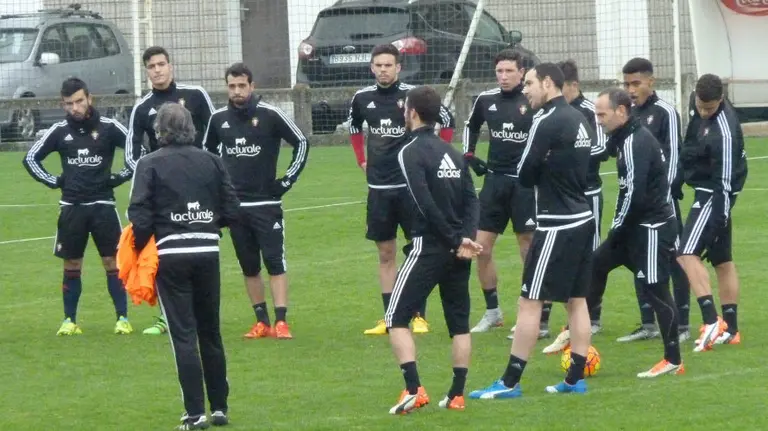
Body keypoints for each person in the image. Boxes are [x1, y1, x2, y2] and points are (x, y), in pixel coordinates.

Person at [469, 63, 596, 399]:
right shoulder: (578, 118)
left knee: (529, 302)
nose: (525, 90)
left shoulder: (546, 120)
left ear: (548, 83)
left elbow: (524, 172)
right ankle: (574, 379)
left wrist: (540, 166)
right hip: (583, 218)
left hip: (556, 224)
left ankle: (510, 382)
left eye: (529, 83)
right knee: (576, 300)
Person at [128, 102, 240, 430]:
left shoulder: (148, 164)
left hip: (171, 255)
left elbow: (139, 215)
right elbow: (233, 211)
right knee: (211, 331)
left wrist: (137, 247)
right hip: (207, 251)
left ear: (159, 131)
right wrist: (204, 221)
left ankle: (194, 414)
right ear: (191, 127)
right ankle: (219, 408)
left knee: (183, 335)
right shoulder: (212, 161)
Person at [348, 43, 456, 335]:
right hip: (379, 188)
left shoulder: (412, 97)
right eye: (378, 65)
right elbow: (354, 126)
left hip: (411, 188)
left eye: (388, 65)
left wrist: (438, 154)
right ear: (372, 68)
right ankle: (390, 315)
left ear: (398, 67)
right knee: (385, 253)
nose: (383, 70)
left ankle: (418, 314)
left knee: (417, 251)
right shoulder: (362, 98)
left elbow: (447, 120)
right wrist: (361, 159)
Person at [385, 85, 481, 414]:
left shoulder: (409, 151)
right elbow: (471, 200)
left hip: (428, 247)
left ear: (411, 112)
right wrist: (466, 238)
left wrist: (454, 240)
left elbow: (423, 202)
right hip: (459, 251)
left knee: (395, 318)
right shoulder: (452, 152)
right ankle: (456, 395)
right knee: (459, 325)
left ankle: (414, 389)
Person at [203, 62, 309, 339]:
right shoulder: (218, 120)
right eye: (231, 86)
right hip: (236, 208)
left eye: (241, 85)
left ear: (252, 86)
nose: (236, 91)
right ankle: (261, 321)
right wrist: (218, 192)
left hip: (266, 205)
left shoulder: (270, 115)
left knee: (275, 262)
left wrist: (286, 181)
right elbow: (207, 156)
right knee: (249, 266)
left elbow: (301, 142)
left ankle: (282, 321)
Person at [22, 78, 133, 336]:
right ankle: (69, 321)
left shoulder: (109, 127)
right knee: (72, 263)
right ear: (63, 104)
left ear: (89, 99)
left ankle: (122, 318)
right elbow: (31, 158)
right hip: (72, 207)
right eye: (70, 103)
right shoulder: (59, 131)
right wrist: (55, 181)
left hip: (103, 206)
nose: (76, 108)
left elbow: (136, 150)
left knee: (112, 262)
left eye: (80, 101)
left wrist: (120, 177)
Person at [588, 88, 684, 377]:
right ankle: (581, 328)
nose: (599, 120)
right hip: (635, 226)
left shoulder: (634, 142)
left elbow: (634, 194)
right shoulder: (623, 137)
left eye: (602, 114)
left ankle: (673, 359)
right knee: (596, 263)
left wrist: (617, 229)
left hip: (652, 226)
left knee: (655, 288)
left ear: (621, 111)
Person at [125, 46, 216, 335]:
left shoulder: (196, 96)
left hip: (197, 187)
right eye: (151, 66)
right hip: (164, 191)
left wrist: (208, 171)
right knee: (163, 252)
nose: (157, 70)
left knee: (199, 247)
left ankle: (200, 312)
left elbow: (216, 134)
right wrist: (149, 179)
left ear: (171, 66)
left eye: (161, 64)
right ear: (147, 71)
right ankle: (167, 315)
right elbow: (131, 152)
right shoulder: (142, 108)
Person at [605, 57, 690, 342]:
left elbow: (675, 161)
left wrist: (662, 197)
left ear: (651, 82)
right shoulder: (626, 115)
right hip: (637, 206)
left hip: (661, 206)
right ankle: (647, 324)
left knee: (672, 260)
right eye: (626, 83)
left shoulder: (665, 112)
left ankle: (682, 325)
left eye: (636, 83)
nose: (630, 89)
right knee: (639, 257)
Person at [461, 49, 537, 335]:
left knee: (528, 248)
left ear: (521, 72)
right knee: (480, 247)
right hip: (494, 183)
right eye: (499, 72)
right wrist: (468, 154)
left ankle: (531, 313)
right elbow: (470, 125)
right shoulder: (486, 100)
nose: (504, 77)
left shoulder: (531, 100)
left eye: (509, 71)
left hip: (525, 185)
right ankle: (493, 311)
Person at [539, 59, 609, 351]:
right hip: (555, 198)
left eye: (562, 87)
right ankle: (545, 321)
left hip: (586, 194)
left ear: (574, 86)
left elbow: (603, 147)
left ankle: (590, 317)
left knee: (587, 257)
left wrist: (564, 156)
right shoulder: (550, 113)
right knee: (551, 255)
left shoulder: (590, 111)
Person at [679, 73, 747, 351]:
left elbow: (725, 182)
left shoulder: (725, 130)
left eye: (710, 107)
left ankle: (711, 321)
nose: (704, 111)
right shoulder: (697, 108)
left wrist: (719, 218)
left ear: (721, 99)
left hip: (715, 194)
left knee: (685, 253)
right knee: (721, 260)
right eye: (701, 105)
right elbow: (691, 143)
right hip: (704, 187)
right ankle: (731, 329)